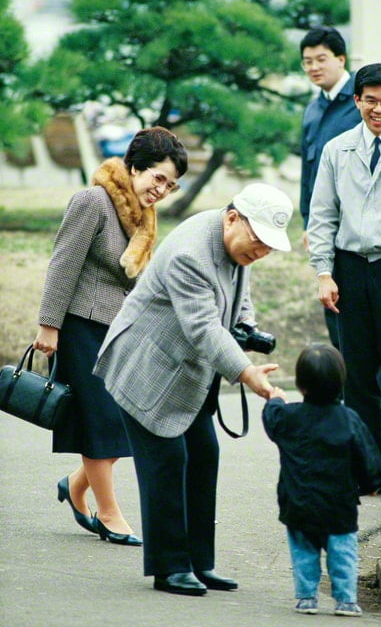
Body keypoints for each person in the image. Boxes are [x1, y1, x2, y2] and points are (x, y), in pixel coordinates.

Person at [93, 183, 294, 595]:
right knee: (167, 460)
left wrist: (248, 328)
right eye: (257, 242)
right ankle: (169, 568)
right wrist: (247, 372)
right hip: (146, 366)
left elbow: (241, 295)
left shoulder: (238, 244)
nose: (260, 252)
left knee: (204, 454)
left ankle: (200, 562)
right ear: (233, 217)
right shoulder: (192, 253)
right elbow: (203, 328)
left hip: (185, 369)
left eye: (268, 247)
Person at [33, 126, 188, 545]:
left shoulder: (143, 218)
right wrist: (49, 326)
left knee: (123, 421)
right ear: (134, 166)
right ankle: (110, 513)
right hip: (80, 326)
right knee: (99, 420)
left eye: (170, 185)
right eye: (158, 178)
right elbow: (63, 264)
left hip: (119, 333)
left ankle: (76, 485)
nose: (162, 190)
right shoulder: (93, 202)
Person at [307, 63, 381, 502]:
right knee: (356, 377)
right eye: (369, 100)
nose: (378, 109)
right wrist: (323, 271)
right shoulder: (337, 150)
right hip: (349, 269)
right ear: (356, 100)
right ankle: (366, 469)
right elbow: (322, 215)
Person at [262, 343, 381, 617]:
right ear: (341, 381)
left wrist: (275, 398)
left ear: (301, 385)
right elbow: (366, 454)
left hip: (298, 502)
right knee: (343, 553)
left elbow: (272, 418)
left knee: (304, 552)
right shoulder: (348, 418)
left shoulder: (289, 417)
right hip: (338, 504)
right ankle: (346, 600)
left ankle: (307, 598)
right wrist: (372, 483)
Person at [299, 26, 362, 349]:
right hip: (325, 229)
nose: (314, 67)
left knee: (362, 310)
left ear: (341, 58)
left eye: (321, 59)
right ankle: (344, 384)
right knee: (332, 303)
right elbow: (307, 174)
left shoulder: (361, 105)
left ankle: (372, 392)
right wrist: (309, 223)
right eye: (307, 61)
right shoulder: (313, 109)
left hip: (359, 229)